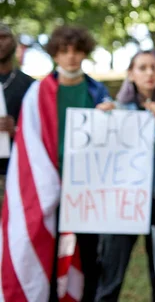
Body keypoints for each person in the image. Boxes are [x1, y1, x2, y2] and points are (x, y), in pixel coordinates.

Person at [1, 25, 110, 301]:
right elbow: (29, 145)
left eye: (77, 50)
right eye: (64, 51)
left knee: (87, 254)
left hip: (88, 190)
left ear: (85, 52)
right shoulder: (38, 93)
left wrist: (111, 115)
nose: (71, 57)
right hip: (50, 189)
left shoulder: (98, 92)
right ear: (55, 54)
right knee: (48, 253)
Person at [94, 49, 155, 301]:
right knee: (111, 273)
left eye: (154, 67)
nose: (149, 73)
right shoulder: (116, 109)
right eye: (142, 67)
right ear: (131, 74)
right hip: (123, 201)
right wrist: (99, 121)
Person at [0, 24, 34, 217]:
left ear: (13, 42)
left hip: (16, 171)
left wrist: (17, 130)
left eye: (4, 37)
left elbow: (42, 130)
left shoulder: (29, 86)